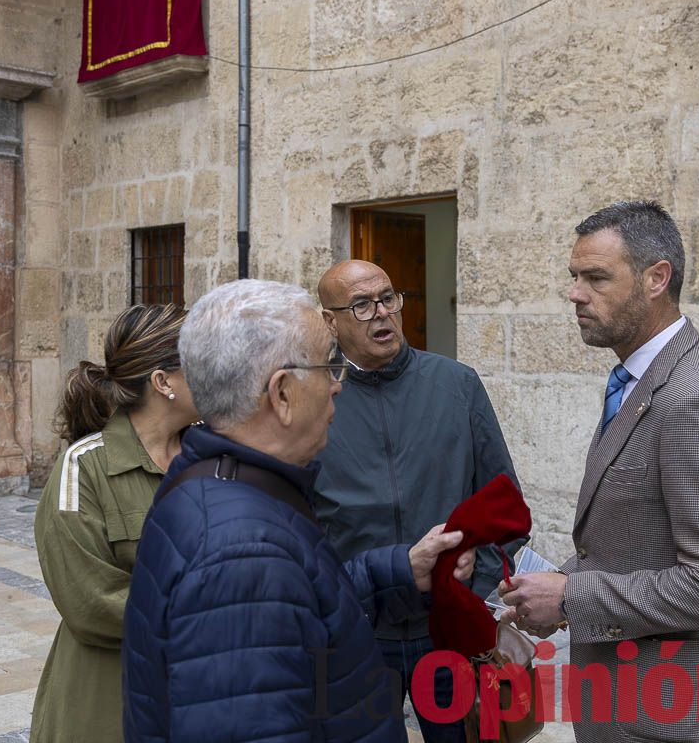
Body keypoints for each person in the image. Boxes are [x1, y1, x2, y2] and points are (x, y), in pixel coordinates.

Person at [121, 279, 476, 743]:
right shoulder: (241, 551)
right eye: (329, 365)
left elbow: (295, 613)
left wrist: (397, 571)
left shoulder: (222, 481)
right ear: (282, 394)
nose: (337, 386)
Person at [499, 201, 699, 743]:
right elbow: (635, 541)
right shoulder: (640, 379)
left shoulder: (696, 399)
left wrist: (570, 597)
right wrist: (552, 588)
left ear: (656, 278)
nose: (576, 293)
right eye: (574, 277)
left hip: (681, 711)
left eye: (596, 277)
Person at [314, 259, 523, 743]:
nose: (381, 313)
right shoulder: (317, 399)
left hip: (446, 638)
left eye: (388, 297)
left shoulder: (456, 384)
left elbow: (503, 505)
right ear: (330, 320)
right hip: (357, 638)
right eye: (362, 305)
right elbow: (302, 521)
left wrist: (471, 594)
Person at [31, 304, 198, 743]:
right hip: (107, 702)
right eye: (202, 360)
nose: (217, 372)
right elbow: (88, 602)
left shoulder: (210, 458)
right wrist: (211, 613)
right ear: (163, 382)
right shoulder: (83, 467)